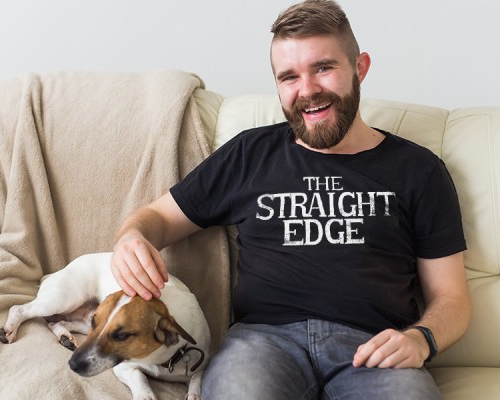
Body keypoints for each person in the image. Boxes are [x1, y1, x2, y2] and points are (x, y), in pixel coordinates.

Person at [110, 0, 471, 398]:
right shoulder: (250, 153)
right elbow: (156, 219)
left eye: (323, 68)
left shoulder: (418, 169)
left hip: (373, 348)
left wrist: (421, 339)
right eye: (289, 77)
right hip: (261, 344)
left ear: (360, 67)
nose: (308, 90)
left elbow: (451, 297)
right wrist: (132, 237)